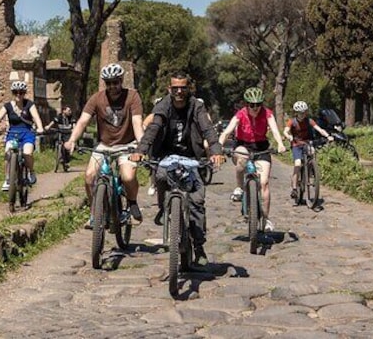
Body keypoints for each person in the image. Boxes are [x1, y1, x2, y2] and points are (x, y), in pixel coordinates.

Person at [136, 72, 225, 266]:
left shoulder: (197, 106)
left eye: (183, 88)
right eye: (175, 87)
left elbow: (207, 128)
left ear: (188, 89)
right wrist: (142, 150)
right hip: (165, 156)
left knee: (197, 201)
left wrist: (215, 150)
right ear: (169, 89)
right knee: (159, 177)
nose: (179, 91)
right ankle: (162, 208)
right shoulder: (163, 105)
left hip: (192, 158)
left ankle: (199, 247)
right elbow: (154, 127)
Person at [65, 63, 145, 228]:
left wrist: (142, 147)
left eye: (115, 82)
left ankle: (132, 202)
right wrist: (72, 140)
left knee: (128, 177)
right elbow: (82, 121)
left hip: (127, 145)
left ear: (121, 80)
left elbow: (137, 123)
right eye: (108, 83)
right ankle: (95, 212)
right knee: (89, 176)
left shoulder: (132, 96)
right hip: (104, 145)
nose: (112, 86)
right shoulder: (96, 98)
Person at [218, 87, 286, 233]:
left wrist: (280, 144)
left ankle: (266, 218)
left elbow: (274, 130)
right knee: (242, 159)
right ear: (246, 104)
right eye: (251, 105)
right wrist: (219, 146)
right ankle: (239, 187)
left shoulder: (267, 114)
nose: (255, 108)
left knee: (264, 183)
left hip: (261, 147)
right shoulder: (240, 114)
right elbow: (227, 131)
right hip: (243, 145)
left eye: (258, 104)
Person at [0, 81, 45, 191]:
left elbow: (36, 118)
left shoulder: (29, 105)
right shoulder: (7, 106)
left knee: (27, 153)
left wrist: (40, 127)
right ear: (13, 93)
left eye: (21, 92)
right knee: (8, 153)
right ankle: (8, 179)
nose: (18, 95)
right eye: (15, 92)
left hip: (27, 133)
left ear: (24, 93)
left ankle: (31, 172)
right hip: (13, 133)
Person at [283, 101, 333, 201]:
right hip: (296, 144)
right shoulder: (292, 121)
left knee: (313, 152)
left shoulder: (309, 121)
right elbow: (285, 131)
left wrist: (328, 136)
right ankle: (294, 188)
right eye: (299, 112)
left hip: (307, 143)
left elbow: (319, 129)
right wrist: (289, 136)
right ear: (296, 113)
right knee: (297, 164)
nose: (302, 115)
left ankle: (311, 169)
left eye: (304, 112)